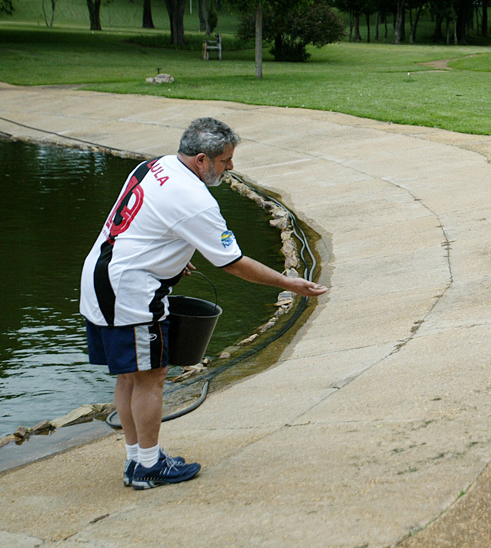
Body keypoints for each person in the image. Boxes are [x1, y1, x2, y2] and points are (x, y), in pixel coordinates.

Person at [79, 117, 328, 490]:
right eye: (225, 160)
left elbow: (143, 222)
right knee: (151, 376)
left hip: (100, 275)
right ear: (201, 159)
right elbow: (234, 264)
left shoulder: (154, 165)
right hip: (132, 291)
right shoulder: (195, 200)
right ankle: (148, 467)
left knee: (130, 375)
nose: (231, 167)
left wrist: (174, 256)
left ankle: (137, 459)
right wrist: (287, 283)